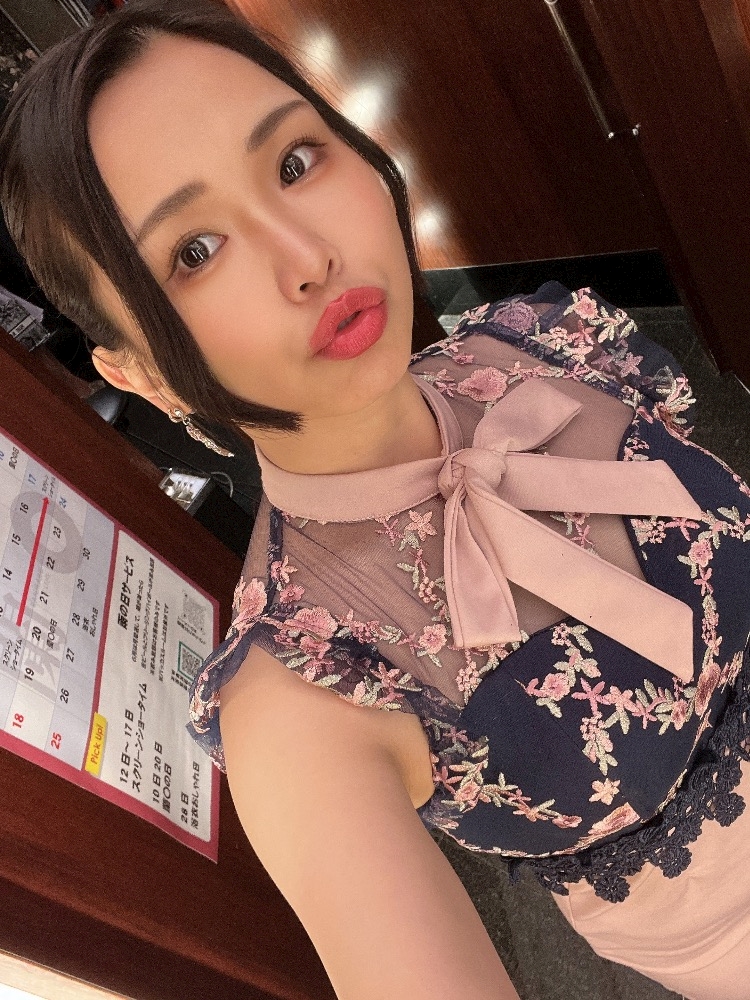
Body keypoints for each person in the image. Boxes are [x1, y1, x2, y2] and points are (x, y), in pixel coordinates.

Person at [2, 2, 749, 997]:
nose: (306, 254)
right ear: (137, 373)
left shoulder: (531, 343)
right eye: (194, 250)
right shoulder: (305, 698)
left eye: (295, 160)